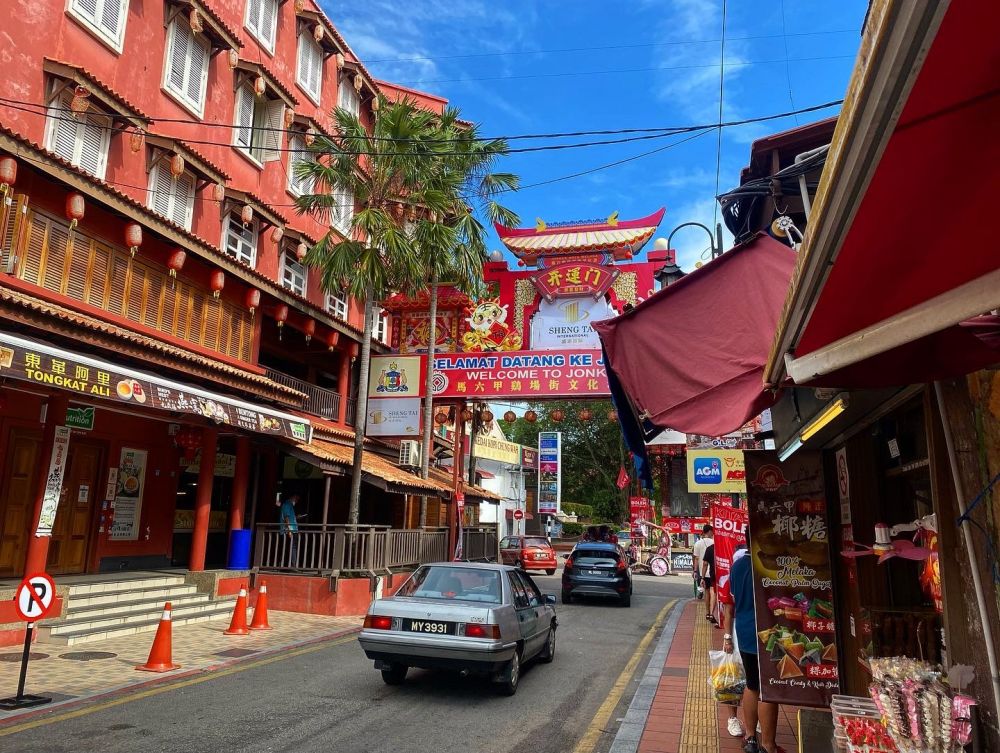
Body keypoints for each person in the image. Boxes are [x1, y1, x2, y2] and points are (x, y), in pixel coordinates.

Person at [724, 540, 783, 753]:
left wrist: (728, 636)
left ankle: (750, 738)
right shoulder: (770, 564)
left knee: (752, 684)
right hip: (769, 632)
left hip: (745, 631)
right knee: (769, 688)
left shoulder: (737, 566)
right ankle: (768, 744)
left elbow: (732, 602)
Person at [693, 525, 715, 620]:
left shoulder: (697, 544)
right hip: (714, 571)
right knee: (713, 592)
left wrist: (695, 571)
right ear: (709, 531)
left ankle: (707, 612)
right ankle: (712, 613)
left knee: (706, 592)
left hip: (703, 572)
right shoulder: (715, 543)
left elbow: (696, 559)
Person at [278, 493, 300, 566]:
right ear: (293, 497)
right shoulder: (287, 505)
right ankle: (292, 565)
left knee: (290, 548)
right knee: (292, 548)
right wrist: (289, 531)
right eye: (296, 499)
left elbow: (289, 518)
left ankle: (286, 565)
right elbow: (286, 518)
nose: (296, 501)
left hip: (291, 530)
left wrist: (296, 517)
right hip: (289, 531)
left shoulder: (289, 505)